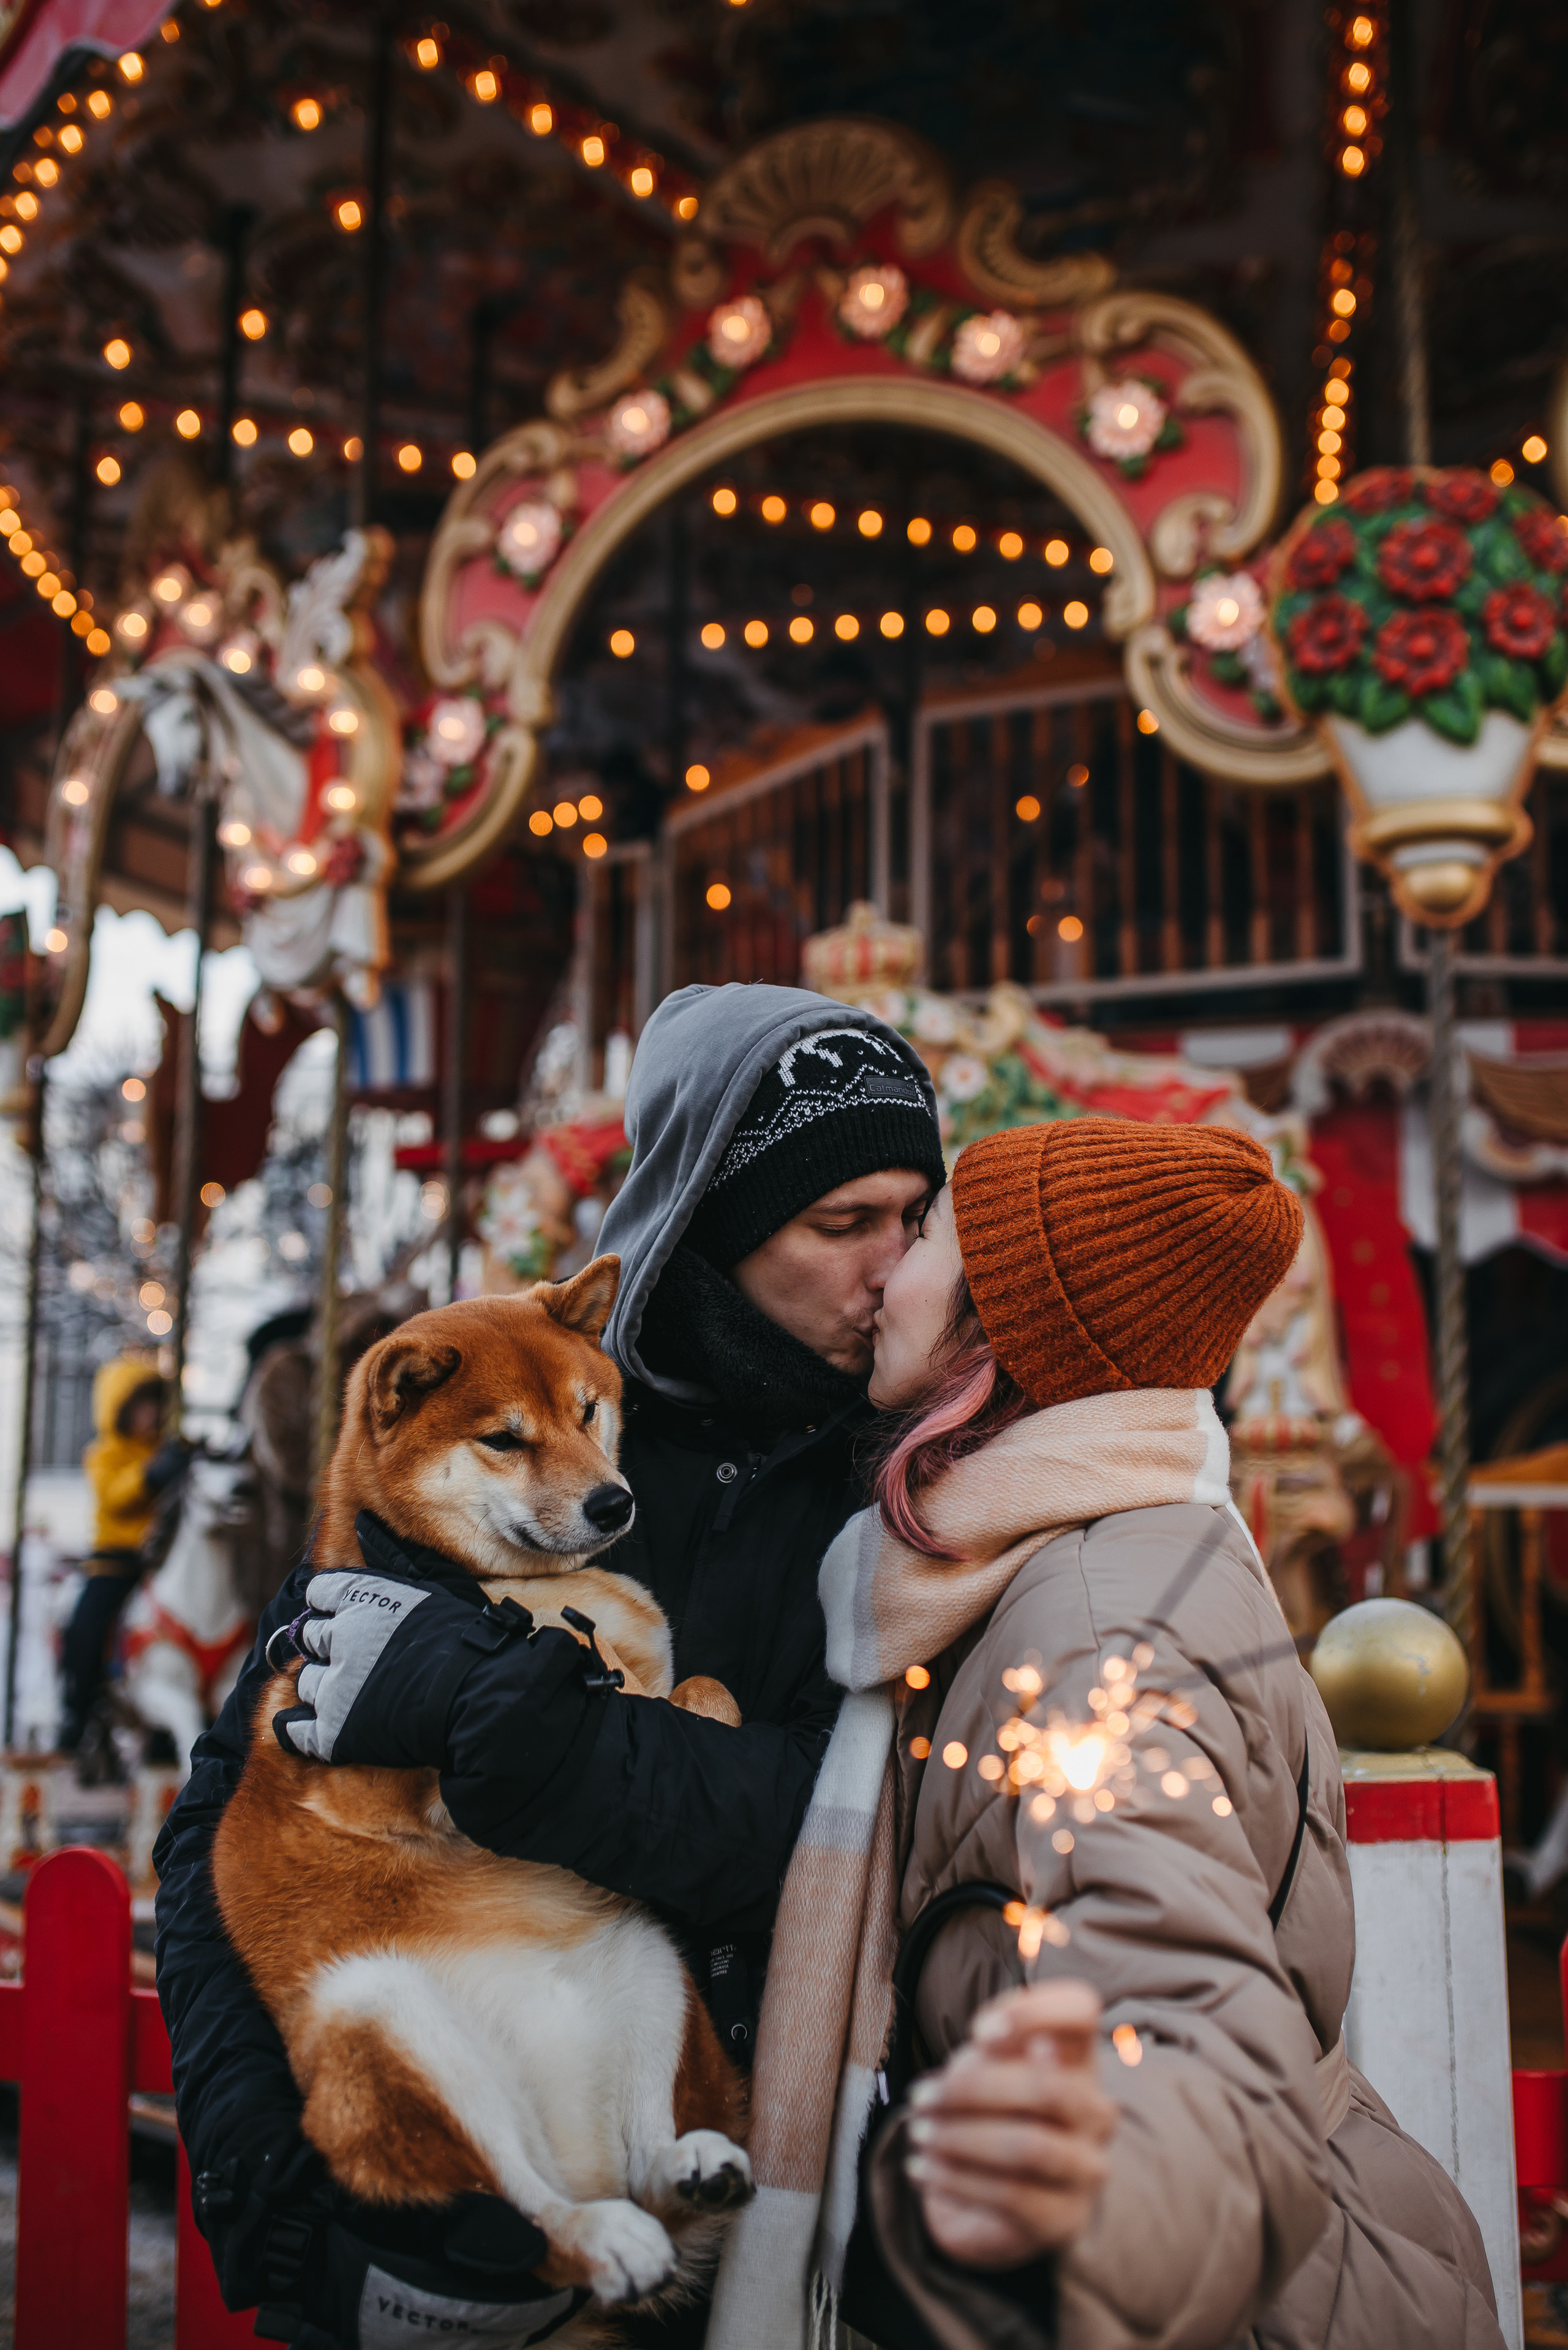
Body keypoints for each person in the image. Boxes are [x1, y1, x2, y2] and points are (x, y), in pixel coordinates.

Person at [153, 981, 945, 2344]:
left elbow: (841, 1830)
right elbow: (227, 1822)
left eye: (914, 1219)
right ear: (715, 1219)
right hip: (448, 2190)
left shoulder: (912, 1491)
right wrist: (283, 2204)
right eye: (841, 1222)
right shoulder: (476, 1445)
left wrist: (515, 1727)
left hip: (753, 2201)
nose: (893, 1264)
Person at [709, 1117, 1502, 2350]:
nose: (885, 1269)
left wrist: (1122, 2219)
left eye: (926, 1231)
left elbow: (1177, 2011)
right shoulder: (1069, 1544)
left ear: (1003, 1324)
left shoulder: (1087, 1632)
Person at [59, 1353, 187, 1754]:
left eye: (154, 1405)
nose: (150, 1414)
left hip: (160, 1559)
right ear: (120, 1410)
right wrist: (152, 1476)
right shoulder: (103, 1454)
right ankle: (78, 1707)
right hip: (116, 1559)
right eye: (140, 1406)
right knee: (86, 1627)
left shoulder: (166, 1451)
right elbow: (115, 1498)